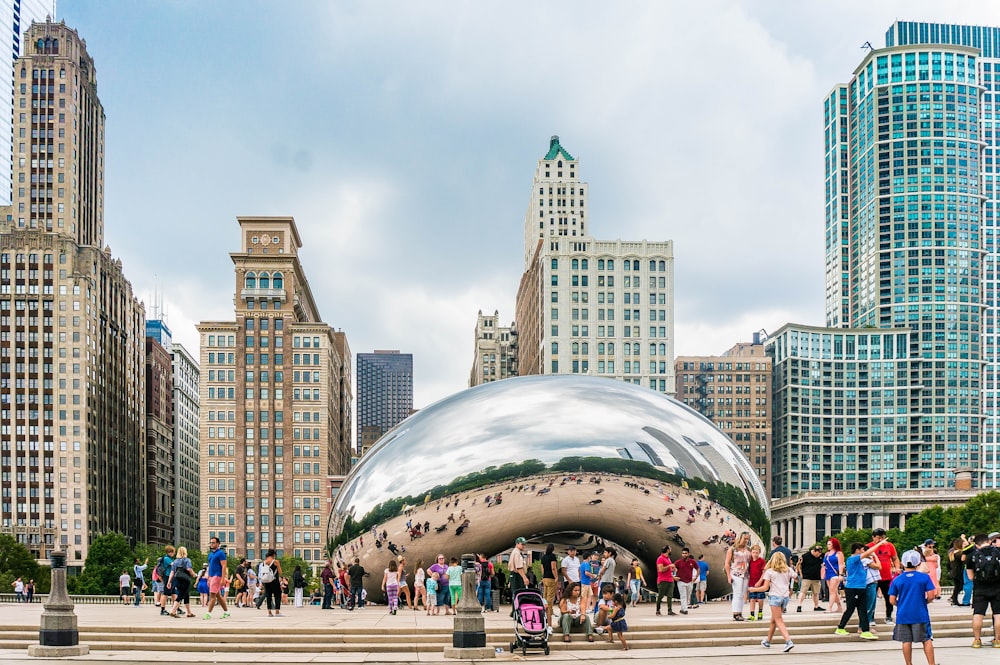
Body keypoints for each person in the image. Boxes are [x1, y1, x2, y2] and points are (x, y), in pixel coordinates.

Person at [888, 550, 936, 665]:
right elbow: (931, 595)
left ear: (903, 563)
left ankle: (909, 663)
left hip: (903, 614)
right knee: (926, 639)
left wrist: (901, 604)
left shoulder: (897, 580)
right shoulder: (924, 578)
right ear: (918, 563)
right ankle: (931, 663)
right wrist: (924, 602)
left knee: (906, 641)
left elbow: (892, 600)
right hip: (920, 613)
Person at [750, 552, 796, 653]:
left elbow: (765, 587)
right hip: (785, 597)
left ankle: (788, 641)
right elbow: (795, 577)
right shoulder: (788, 570)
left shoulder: (770, 572)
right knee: (774, 620)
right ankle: (768, 640)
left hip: (775, 597)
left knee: (778, 620)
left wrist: (753, 589)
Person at [834, 542, 881, 640]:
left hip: (861, 587)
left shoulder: (859, 560)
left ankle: (865, 631)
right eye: (862, 549)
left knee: (862, 610)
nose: (864, 551)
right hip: (853, 588)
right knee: (850, 609)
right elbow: (868, 553)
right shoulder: (852, 559)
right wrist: (880, 544)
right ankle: (840, 627)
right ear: (857, 550)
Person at [967, 532, 1000, 648]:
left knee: (978, 614)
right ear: (989, 541)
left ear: (976, 545)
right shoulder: (998, 552)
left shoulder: (972, 556)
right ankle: (997, 640)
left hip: (980, 588)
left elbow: (970, 576)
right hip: (997, 587)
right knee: (998, 614)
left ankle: (977, 640)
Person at [868, 527, 901, 625]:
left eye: (882, 537)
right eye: (878, 537)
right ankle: (870, 618)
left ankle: (889, 616)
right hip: (873, 577)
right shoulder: (868, 546)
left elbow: (895, 558)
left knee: (889, 597)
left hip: (886, 576)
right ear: (873, 537)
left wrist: (897, 568)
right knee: (871, 598)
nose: (880, 540)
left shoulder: (889, 546)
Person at [725, 532, 751, 621]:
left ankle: (740, 612)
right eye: (745, 539)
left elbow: (750, 561)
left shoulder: (748, 549)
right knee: (737, 593)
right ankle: (735, 613)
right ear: (740, 538)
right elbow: (727, 564)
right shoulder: (732, 549)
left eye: (748, 539)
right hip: (736, 573)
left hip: (746, 573)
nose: (746, 541)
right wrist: (729, 576)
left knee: (743, 594)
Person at [166, 546, 197, 618]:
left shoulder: (175, 562)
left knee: (186, 595)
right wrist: (194, 574)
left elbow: (172, 572)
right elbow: (189, 569)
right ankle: (173, 611)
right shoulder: (187, 560)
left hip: (177, 580)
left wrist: (169, 582)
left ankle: (189, 612)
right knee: (181, 595)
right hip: (185, 580)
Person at [203, 536, 230, 619]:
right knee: (218, 595)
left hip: (217, 576)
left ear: (218, 544)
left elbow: (224, 566)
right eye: (211, 542)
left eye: (213, 542)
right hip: (211, 576)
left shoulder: (220, 553)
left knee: (212, 595)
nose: (212, 544)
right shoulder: (210, 554)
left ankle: (208, 613)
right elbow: (210, 565)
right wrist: (208, 577)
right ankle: (226, 612)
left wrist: (222, 578)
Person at [796, 544, 826, 612]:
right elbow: (799, 564)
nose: (818, 555)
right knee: (803, 591)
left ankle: (816, 606)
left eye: (820, 554)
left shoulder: (821, 556)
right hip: (807, 577)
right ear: (814, 551)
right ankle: (799, 605)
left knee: (816, 593)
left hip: (816, 577)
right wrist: (800, 573)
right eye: (817, 553)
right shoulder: (805, 556)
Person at [823, 537, 846, 614]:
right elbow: (824, 563)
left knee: (832, 591)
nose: (828, 545)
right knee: (834, 591)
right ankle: (839, 606)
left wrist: (841, 574)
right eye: (828, 544)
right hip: (828, 572)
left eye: (829, 544)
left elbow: (841, 564)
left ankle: (829, 607)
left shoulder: (839, 553)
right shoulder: (827, 554)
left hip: (835, 573)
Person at [674, 548, 699, 614]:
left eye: (685, 553)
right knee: (683, 596)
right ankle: (685, 609)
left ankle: (682, 609)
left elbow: (698, 568)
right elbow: (671, 568)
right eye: (683, 553)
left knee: (688, 596)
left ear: (688, 554)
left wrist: (696, 577)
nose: (684, 555)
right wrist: (673, 577)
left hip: (689, 581)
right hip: (681, 581)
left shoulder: (692, 562)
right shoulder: (678, 562)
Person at [258, 549, 283, 617]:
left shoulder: (264, 562)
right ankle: (277, 611)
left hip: (266, 581)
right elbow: (280, 571)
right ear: (274, 555)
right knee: (277, 595)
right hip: (274, 581)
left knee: (268, 596)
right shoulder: (275, 562)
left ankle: (269, 612)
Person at [508, 537, 529, 615]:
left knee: (516, 593)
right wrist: (524, 578)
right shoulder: (517, 553)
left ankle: (515, 611)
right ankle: (516, 611)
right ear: (517, 544)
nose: (523, 546)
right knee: (519, 593)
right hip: (517, 575)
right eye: (522, 544)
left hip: (515, 575)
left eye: (524, 544)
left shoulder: (518, 552)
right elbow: (519, 567)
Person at [540, 543, 559, 625]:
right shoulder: (552, 556)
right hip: (551, 578)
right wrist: (556, 577)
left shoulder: (543, 557)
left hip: (545, 578)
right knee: (550, 597)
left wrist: (543, 576)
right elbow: (553, 568)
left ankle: (544, 610)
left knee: (545, 595)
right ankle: (549, 612)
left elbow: (542, 568)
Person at [747, 544, 766, 622]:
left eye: (757, 553)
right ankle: (752, 614)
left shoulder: (762, 561)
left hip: (760, 584)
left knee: (760, 599)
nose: (755, 554)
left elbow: (764, 572)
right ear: (751, 553)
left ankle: (760, 611)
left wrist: (760, 581)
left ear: (759, 553)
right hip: (751, 583)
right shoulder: (750, 561)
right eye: (753, 552)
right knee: (752, 599)